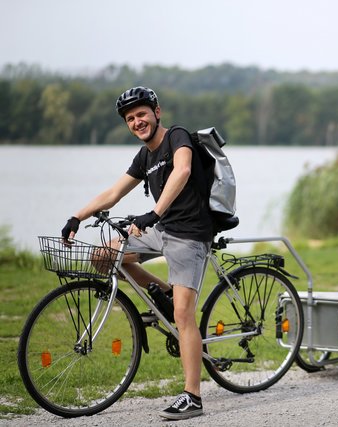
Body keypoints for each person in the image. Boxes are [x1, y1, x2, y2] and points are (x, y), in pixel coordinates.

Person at [61, 86, 213, 421]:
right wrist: (78, 216)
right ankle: (164, 290)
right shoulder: (144, 156)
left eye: (141, 114)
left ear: (156, 112)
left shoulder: (177, 137)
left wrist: (154, 213)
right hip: (160, 230)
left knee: (184, 316)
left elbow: (183, 171)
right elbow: (115, 192)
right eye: (130, 119)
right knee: (103, 256)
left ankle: (193, 396)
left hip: (189, 234)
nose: (137, 121)